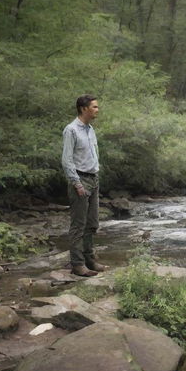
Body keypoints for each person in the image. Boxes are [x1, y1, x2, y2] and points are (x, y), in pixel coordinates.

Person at [62, 94, 107, 277]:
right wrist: (76, 183)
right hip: (79, 180)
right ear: (83, 109)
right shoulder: (71, 130)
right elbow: (66, 160)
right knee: (78, 225)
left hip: (93, 178)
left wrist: (96, 172)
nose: (97, 110)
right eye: (94, 107)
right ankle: (77, 264)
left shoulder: (90, 129)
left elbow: (93, 154)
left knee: (92, 223)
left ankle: (90, 260)